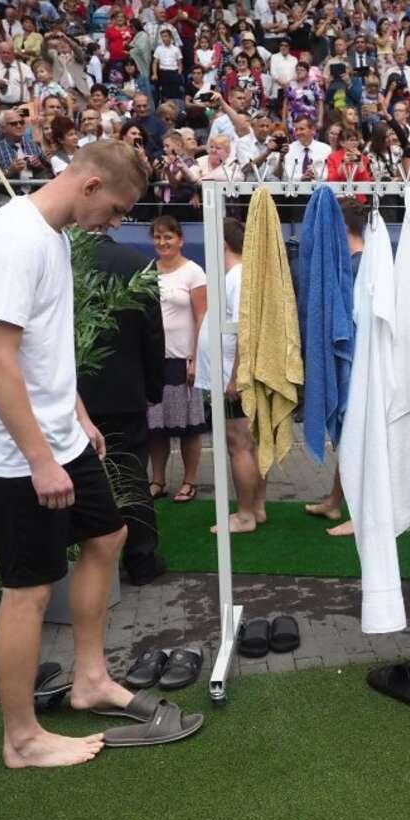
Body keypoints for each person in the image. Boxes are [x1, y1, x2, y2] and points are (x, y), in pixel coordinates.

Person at [0, 140, 200, 769]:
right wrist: (40, 459)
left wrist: (77, 413)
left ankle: (90, 680)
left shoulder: (55, 238)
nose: (115, 224)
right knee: (29, 588)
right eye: (115, 210)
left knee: (108, 536)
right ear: (89, 186)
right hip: (11, 449)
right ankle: (21, 739)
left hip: (57, 430)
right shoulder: (16, 240)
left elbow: (42, 348)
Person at [77, 229, 167, 585]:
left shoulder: (63, 260)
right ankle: (141, 560)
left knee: (78, 476)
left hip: (73, 392)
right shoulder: (136, 262)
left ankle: (87, 563)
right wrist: (153, 387)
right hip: (124, 391)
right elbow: (153, 332)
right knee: (130, 473)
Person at [194, 216, 267, 534]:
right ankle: (257, 508)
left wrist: (236, 376)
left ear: (222, 244)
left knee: (240, 444)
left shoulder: (238, 276)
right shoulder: (235, 276)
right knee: (249, 444)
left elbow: (244, 330)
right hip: (229, 374)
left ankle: (246, 515)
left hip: (231, 377)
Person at [304, 198, 367, 535]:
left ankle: (361, 515)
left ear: (341, 228)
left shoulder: (359, 267)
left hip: (362, 367)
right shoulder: (354, 264)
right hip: (356, 364)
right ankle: (334, 501)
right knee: (351, 436)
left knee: (360, 439)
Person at [146, 215, 207, 504]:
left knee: (188, 427)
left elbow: (202, 316)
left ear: (180, 240)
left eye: (168, 237)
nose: (162, 242)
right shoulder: (147, 272)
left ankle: (189, 481)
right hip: (155, 362)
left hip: (184, 360)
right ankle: (158, 480)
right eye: (157, 237)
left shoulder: (193, 272)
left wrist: (196, 358)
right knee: (155, 427)